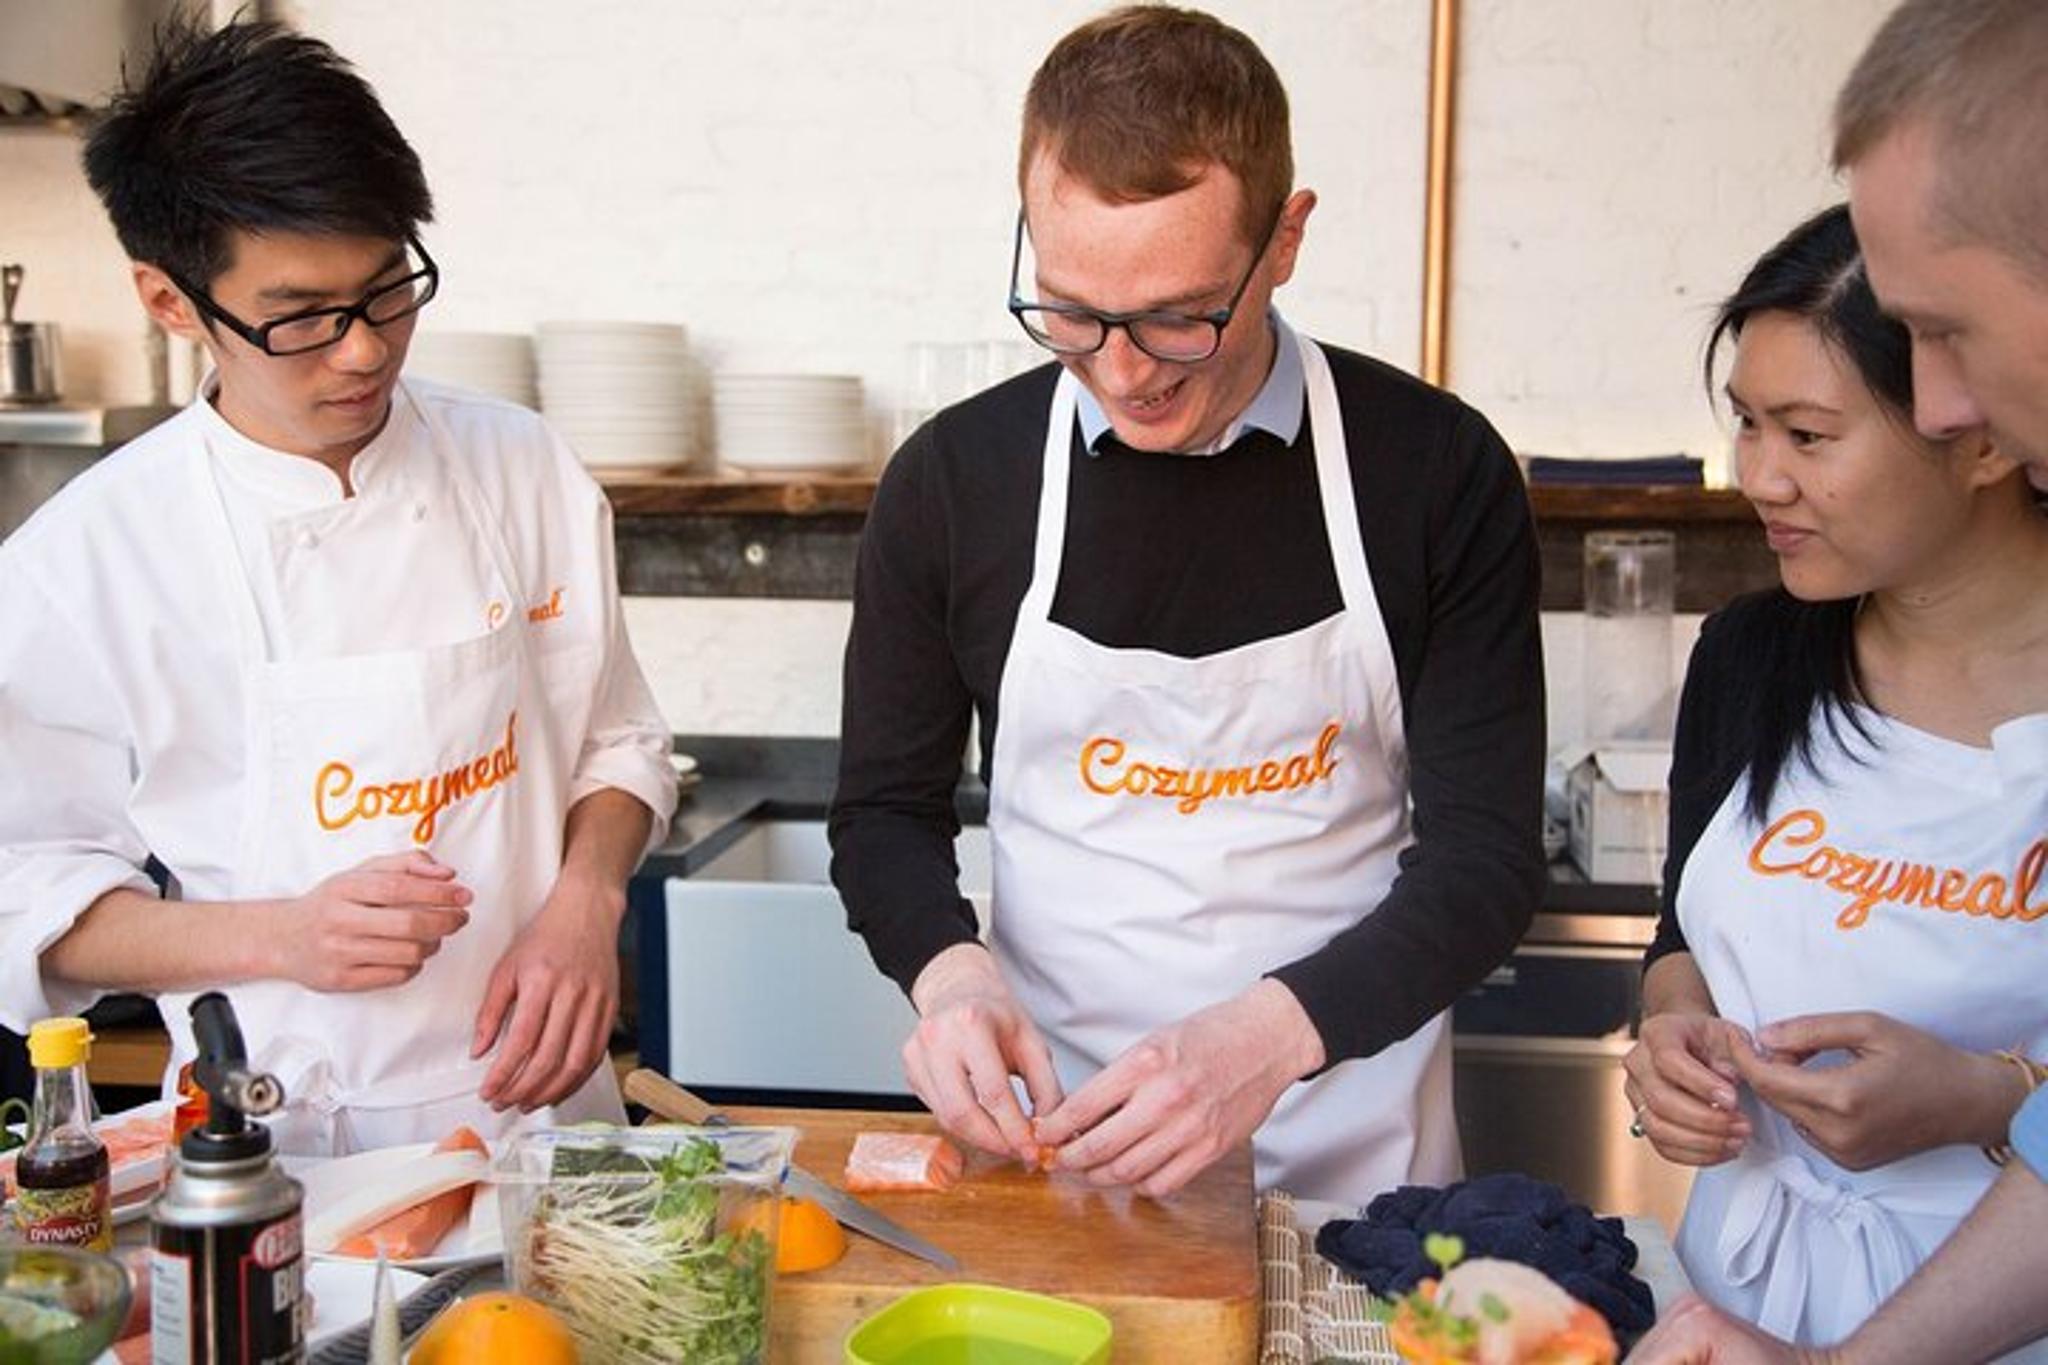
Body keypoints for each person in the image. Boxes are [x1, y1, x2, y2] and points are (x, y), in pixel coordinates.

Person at [829, 4, 1544, 1204]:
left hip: (1347, 1160)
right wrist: (949, 978)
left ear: (1284, 239)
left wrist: (1264, 1041)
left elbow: (1482, 863)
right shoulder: (955, 484)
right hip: (1060, 1146)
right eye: (1069, 310)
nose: (1120, 371)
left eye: (1178, 315)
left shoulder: (1432, 470)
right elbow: (882, 814)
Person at [0, 18, 677, 1155]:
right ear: (170, 302)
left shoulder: (523, 467)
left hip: (548, 1128)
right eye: (302, 316)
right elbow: (34, 903)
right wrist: (281, 938)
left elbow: (616, 745)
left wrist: (585, 901)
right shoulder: (85, 561)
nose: (363, 350)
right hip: (280, 1143)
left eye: (386, 290)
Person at [1631, 1, 2048, 1361]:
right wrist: (1674, 1038)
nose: (1759, 477)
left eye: (1808, 432)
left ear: (1974, 441)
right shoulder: (1755, 656)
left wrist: (1994, 1096)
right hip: (1739, 1302)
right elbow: (1684, 944)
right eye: (1745, 424)